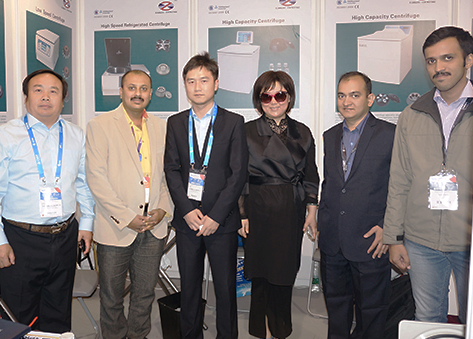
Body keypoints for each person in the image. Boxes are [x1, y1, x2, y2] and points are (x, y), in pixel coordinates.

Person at [0, 69, 95, 333]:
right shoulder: (6, 135)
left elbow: (83, 182)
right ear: (26, 97)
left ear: (63, 99)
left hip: (65, 235)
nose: (45, 97)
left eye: (54, 91)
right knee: (19, 315)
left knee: (58, 312)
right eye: (38, 90)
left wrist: (86, 223)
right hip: (21, 239)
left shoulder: (75, 135)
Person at [383, 26, 473, 323]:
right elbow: (400, 180)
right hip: (420, 241)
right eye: (431, 61)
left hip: (469, 240)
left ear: (468, 60)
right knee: (427, 317)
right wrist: (394, 238)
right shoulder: (412, 114)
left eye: (448, 58)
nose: (438, 67)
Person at [165, 52, 248, 339]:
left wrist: (216, 216)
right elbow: (171, 169)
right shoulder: (176, 123)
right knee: (189, 287)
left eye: (203, 80)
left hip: (221, 222)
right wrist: (187, 210)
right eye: (191, 81)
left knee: (225, 288)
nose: (197, 87)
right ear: (185, 86)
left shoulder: (234, 122)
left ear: (216, 84)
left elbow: (238, 174)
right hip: (187, 220)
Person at [85, 70, 173, 339]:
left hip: (153, 226)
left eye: (143, 88)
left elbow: (167, 176)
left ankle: (138, 335)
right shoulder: (100, 126)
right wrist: (126, 217)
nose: (138, 93)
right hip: (116, 227)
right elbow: (96, 179)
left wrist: (163, 210)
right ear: (121, 91)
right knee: (111, 295)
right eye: (131, 87)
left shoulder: (161, 127)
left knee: (144, 293)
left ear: (151, 93)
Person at [237, 71, 319, 339]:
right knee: (261, 273)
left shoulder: (302, 132)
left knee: (285, 272)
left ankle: (280, 328)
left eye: (280, 95)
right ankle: (261, 329)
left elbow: (311, 174)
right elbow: (238, 177)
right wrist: (241, 214)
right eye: (266, 96)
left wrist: (311, 210)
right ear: (258, 100)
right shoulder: (247, 131)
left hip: (290, 209)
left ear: (289, 97)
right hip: (258, 209)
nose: (273, 101)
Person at [318, 71, 395, 338]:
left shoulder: (389, 134)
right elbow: (330, 183)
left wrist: (388, 227)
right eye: (341, 95)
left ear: (370, 99)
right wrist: (322, 220)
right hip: (332, 240)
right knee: (336, 309)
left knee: (371, 312)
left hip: (371, 239)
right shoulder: (330, 135)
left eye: (354, 95)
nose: (346, 101)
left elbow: (400, 186)